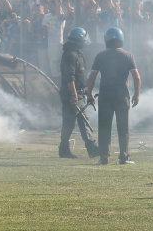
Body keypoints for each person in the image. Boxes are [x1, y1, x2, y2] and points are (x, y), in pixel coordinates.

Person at [85, 27, 141, 165]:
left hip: (105, 96)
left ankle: (104, 157)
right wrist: (137, 94)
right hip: (122, 95)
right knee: (123, 128)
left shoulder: (101, 56)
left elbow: (91, 77)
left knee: (104, 127)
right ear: (121, 39)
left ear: (106, 40)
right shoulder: (128, 55)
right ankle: (124, 157)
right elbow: (136, 77)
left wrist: (89, 94)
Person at [58, 27, 99, 159]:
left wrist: (87, 92)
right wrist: (74, 95)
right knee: (76, 122)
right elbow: (70, 77)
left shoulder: (77, 53)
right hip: (71, 94)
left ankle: (66, 149)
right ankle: (90, 148)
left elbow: (80, 77)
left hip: (78, 93)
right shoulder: (70, 55)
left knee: (76, 122)